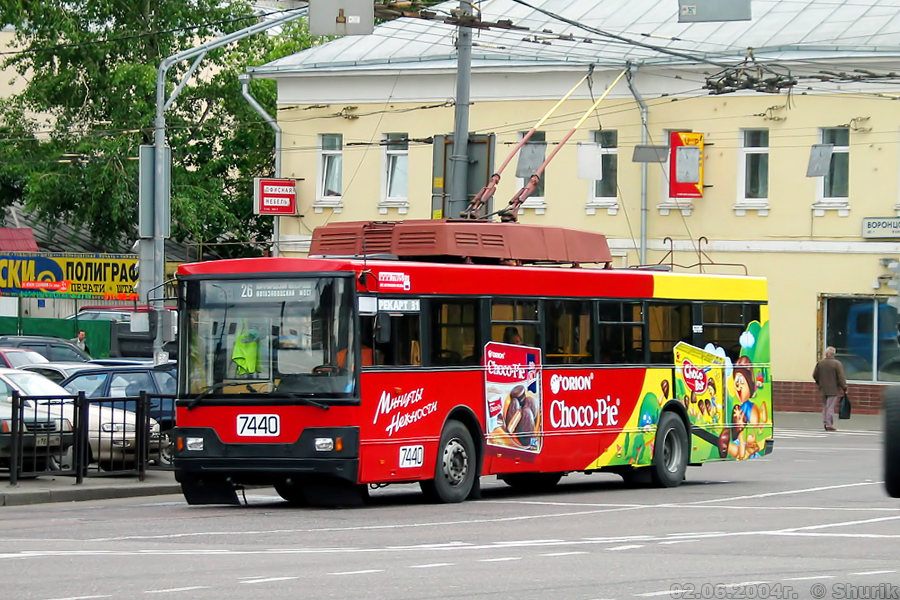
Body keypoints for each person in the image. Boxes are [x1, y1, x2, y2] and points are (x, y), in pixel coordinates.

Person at [813, 346, 848, 431]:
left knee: (825, 406)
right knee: (830, 406)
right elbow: (841, 377)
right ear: (833, 354)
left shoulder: (820, 363)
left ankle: (825, 422)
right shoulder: (837, 364)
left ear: (826, 354)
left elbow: (815, 375)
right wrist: (844, 387)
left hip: (823, 388)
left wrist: (819, 383)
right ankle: (829, 424)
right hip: (833, 388)